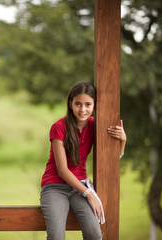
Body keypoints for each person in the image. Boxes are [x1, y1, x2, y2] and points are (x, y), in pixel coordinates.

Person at [40, 81, 127, 240]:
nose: (83, 109)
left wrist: (123, 141)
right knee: (56, 237)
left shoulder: (97, 126)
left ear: (94, 105)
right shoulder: (58, 127)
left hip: (79, 187)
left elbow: (112, 161)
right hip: (54, 187)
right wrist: (89, 194)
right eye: (78, 104)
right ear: (70, 103)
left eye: (88, 104)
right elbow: (62, 170)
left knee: (94, 234)